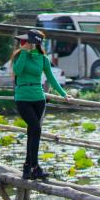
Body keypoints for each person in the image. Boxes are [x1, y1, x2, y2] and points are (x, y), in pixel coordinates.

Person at [12, 29, 69, 180]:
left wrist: (64, 94)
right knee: (36, 128)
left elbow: (51, 77)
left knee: (32, 132)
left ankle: (27, 168)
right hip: (23, 98)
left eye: (26, 41)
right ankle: (35, 167)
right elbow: (17, 71)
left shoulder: (43, 59)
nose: (22, 43)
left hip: (38, 98)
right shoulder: (20, 55)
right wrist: (24, 52)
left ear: (34, 43)